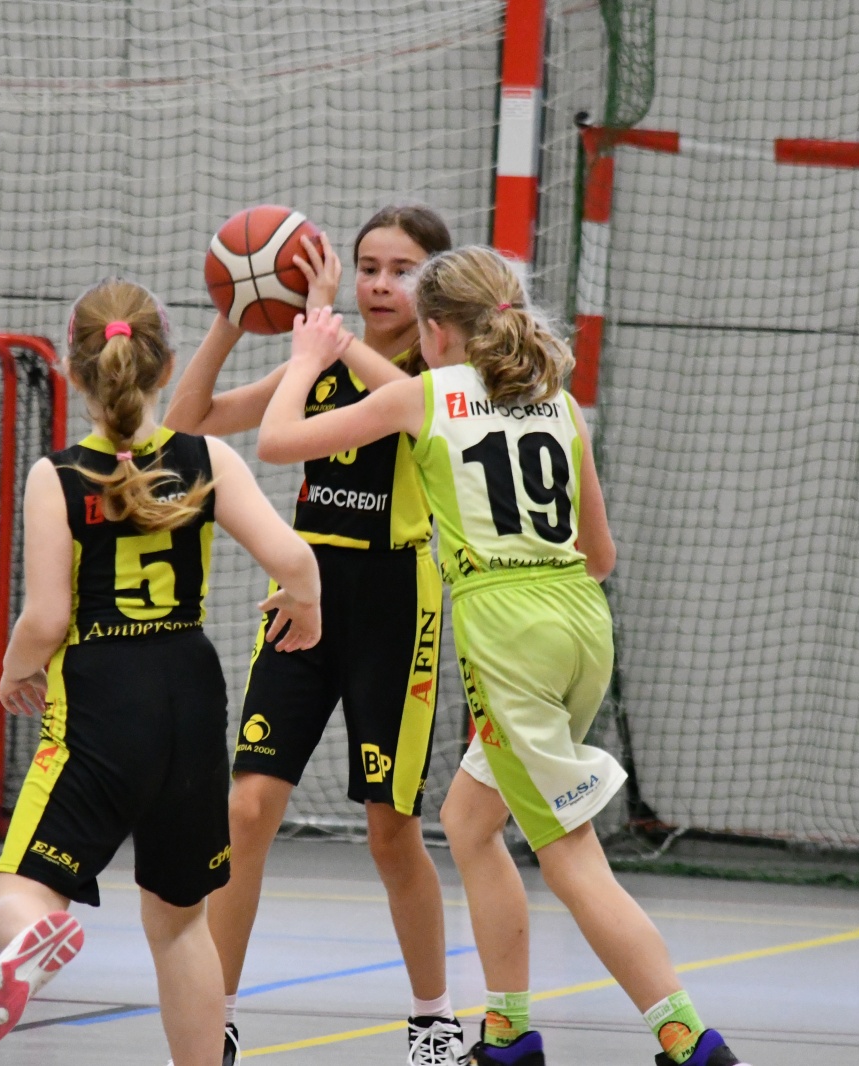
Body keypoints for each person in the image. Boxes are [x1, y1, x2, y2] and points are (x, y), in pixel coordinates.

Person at [256, 249, 753, 1066]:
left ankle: (689, 1040)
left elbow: (277, 441)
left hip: (508, 632)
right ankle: (508, 1033)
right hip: (581, 623)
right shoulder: (558, 401)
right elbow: (600, 555)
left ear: (435, 332)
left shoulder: (424, 395)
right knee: (469, 820)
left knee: (570, 853)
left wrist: (310, 356)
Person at [0, 280, 322, 1066]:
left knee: (21, 887)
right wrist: (305, 607)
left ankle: (30, 939)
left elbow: (46, 617)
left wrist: (15, 672)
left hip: (100, 693)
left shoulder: (57, 477)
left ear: (75, 371)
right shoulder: (205, 458)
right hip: (190, 691)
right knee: (181, 921)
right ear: (167, 368)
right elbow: (294, 558)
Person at [165, 205, 465, 1066]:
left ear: (435, 287)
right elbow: (187, 423)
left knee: (390, 830)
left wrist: (321, 329)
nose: (379, 284)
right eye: (366, 266)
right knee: (247, 807)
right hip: (304, 595)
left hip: (394, 604)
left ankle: (434, 1019)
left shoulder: (444, 375)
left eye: (402, 270)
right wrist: (236, 311)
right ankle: (217, 1015)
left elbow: (384, 390)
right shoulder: (320, 359)